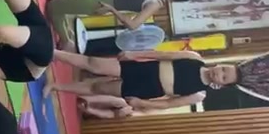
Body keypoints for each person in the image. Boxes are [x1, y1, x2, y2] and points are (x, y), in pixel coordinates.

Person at [50, 52, 240, 119]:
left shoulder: (199, 94)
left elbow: (167, 104)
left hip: (147, 89)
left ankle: (55, 86)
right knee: (94, 63)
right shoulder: (195, 58)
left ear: (221, 85)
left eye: (224, 77)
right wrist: (135, 54)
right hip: (144, 69)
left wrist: (141, 103)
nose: (219, 73)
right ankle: (53, 53)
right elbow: (161, 54)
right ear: (220, 64)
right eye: (223, 69)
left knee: (98, 89)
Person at [43, 0, 194, 45]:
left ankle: (66, 40)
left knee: (53, 7)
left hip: (100, 2)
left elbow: (133, 25)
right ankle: (65, 25)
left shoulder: (155, 3)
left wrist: (111, 9)